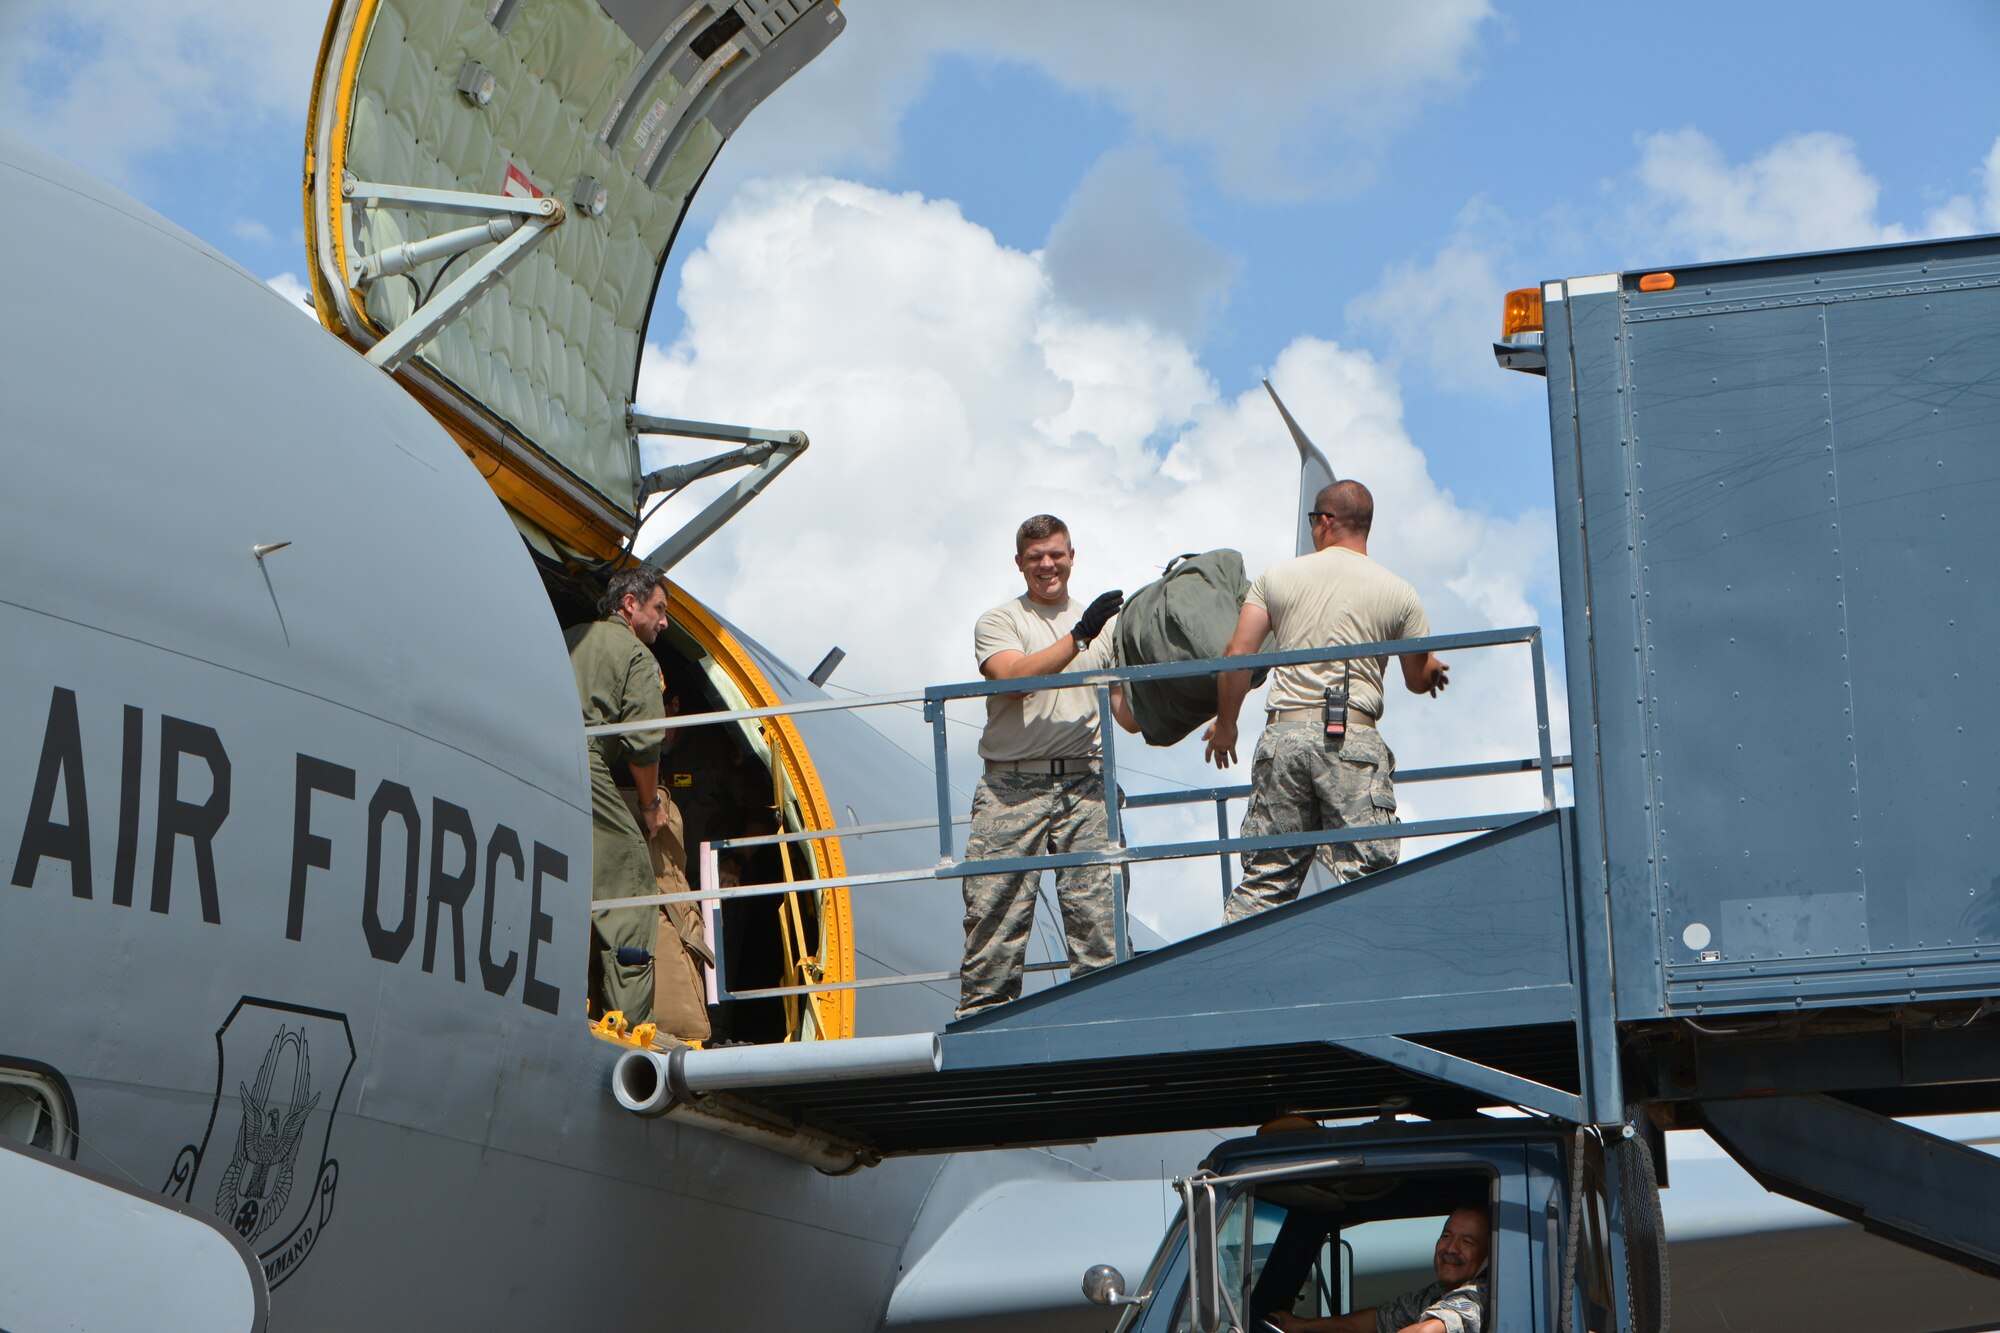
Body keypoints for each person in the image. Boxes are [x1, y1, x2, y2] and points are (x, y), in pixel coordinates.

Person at [1205, 481, 1448, 922]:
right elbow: (1418, 677)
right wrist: (1433, 672)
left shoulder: (1276, 578)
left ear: (1325, 521)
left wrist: (1227, 725)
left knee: (1266, 880)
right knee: (1367, 877)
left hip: (1284, 737)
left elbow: (1237, 655)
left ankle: (1232, 978)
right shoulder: (1399, 591)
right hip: (1353, 739)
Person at [958, 514, 1128, 1016]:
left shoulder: (1108, 629)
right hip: (1013, 786)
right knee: (995, 918)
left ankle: (1107, 1024)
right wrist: (1078, 636)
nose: (1047, 565)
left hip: (1087, 784)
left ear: (1072, 556)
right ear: (1020, 564)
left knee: (1100, 921)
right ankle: (983, 1030)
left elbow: (1128, 714)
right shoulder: (1001, 621)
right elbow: (1013, 679)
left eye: (1056, 554)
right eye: (1035, 558)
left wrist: (1203, 693)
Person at [567, 564, 673, 1026]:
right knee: (630, 876)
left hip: (530, 750)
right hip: (582, 761)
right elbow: (645, 742)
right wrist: (650, 808)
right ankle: (627, 1025)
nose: (664, 622)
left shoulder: (571, 635)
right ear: (630, 605)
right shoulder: (636, 655)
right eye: (659, 609)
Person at [1266, 1205, 1490, 1333]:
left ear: (1487, 1256)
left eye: (1467, 1242)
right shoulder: (1435, 1294)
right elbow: (1379, 1320)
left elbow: (1429, 1331)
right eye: (1446, 1236)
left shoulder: (1479, 1295)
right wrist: (1300, 1325)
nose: (1451, 1248)